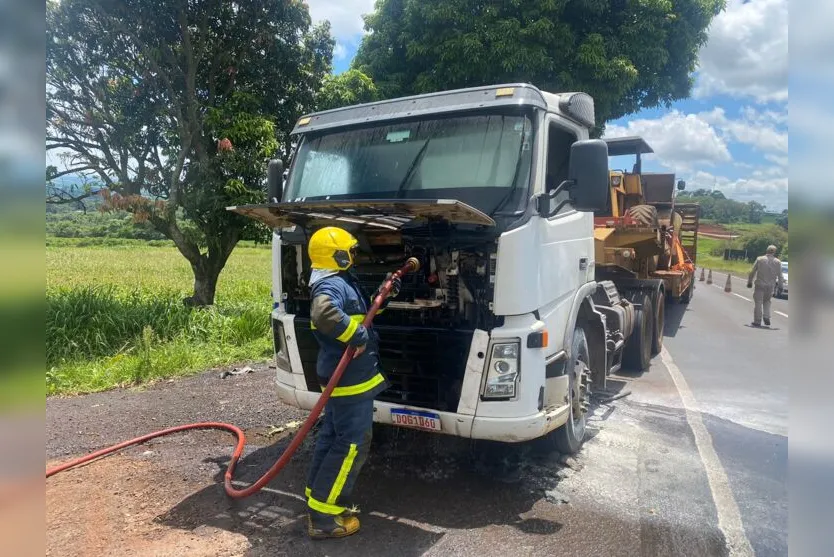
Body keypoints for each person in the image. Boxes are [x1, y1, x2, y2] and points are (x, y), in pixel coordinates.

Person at [303, 226, 401, 539]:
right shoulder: (329, 285)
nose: (355, 255)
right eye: (351, 250)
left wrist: (382, 297)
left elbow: (360, 314)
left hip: (345, 380)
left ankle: (317, 498)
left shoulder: (337, 280)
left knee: (332, 436)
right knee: (351, 445)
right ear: (338, 255)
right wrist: (356, 336)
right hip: (349, 382)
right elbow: (324, 313)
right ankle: (324, 518)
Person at [746, 244, 784, 327]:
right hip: (770, 286)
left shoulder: (760, 259)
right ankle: (766, 316)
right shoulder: (777, 262)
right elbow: (780, 276)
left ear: (767, 250)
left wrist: (749, 282)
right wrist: (781, 286)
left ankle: (757, 321)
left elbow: (752, 271)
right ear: (774, 252)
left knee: (758, 302)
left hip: (760, 284)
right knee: (767, 301)